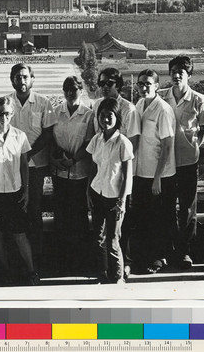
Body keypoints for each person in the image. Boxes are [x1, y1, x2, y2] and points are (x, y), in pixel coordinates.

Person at [0, 96, 39, 286]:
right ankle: (6, 271)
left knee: (19, 235)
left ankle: (31, 271)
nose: (4, 117)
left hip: (16, 193)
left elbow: (24, 166)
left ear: (12, 115)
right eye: (0, 113)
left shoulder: (20, 136)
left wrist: (26, 191)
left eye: (7, 114)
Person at [2, 63, 57, 268]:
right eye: (17, 77)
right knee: (14, 209)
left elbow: (48, 134)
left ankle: (37, 254)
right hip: (9, 165)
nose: (22, 81)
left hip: (36, 165)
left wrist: (28, 154)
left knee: (34, 208)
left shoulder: (43, 103)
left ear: (32, 79)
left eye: (25, 77)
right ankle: (17, 256)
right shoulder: (6, 103)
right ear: (12, 80)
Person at [158, 56, 204, 269]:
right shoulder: (161, 97)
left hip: (188, 162)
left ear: (189, 75)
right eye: (173, 71)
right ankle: (168, 252)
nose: (177, 75)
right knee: (166, 208)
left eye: (182, 72)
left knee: (188, 209)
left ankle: (185, 252)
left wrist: (194, 147)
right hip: (165, 163)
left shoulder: (199, 100)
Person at [92, 67, 140, 278]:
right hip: (102, 181)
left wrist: (122, 193)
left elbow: (133, 144)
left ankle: (121, 268)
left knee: (118, 232)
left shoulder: (128, 109)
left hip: (120, 180)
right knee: (104, 234)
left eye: (109, 83)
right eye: (101, 83)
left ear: (118, 85)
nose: (104, 87)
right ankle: (105, 270)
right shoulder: (97, 106)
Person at [132, 69, 177, 274]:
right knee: (142, 218)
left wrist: (157, 178)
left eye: (148, 84)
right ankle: (142, 258)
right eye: (140, 84)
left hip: (160, 176)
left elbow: (167, 146)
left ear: (157, 86)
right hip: (141, 173)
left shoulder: (163, 109)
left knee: (158, 219)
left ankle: (159, 259)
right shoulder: (140, 105)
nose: (143, 87)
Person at [86, 98, 134, 284]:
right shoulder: (97, 140)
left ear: (117, 118)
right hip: (97, 193)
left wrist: (121, 202)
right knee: (98, 236)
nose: (105, 120)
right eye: (102, 116)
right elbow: (93, 168)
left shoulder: (123, 142)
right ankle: (102, 273)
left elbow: (127, 176)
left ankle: (117, 277)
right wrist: (88, 192)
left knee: (113, 239)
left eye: (110, 116)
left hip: (115, 198)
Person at [50, 76, 94, 273]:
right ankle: (62, 262)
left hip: (80, 173)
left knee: (79, 218)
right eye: (67, 89)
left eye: (74, 89)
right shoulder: (55, 112)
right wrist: (56, 158)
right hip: (59, 173)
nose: (70, 92)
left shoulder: (89, 115)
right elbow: (51, 138)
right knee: (61, 217)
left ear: (81, 90)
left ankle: (80, 261)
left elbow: (88, 143)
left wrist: (74, 160)